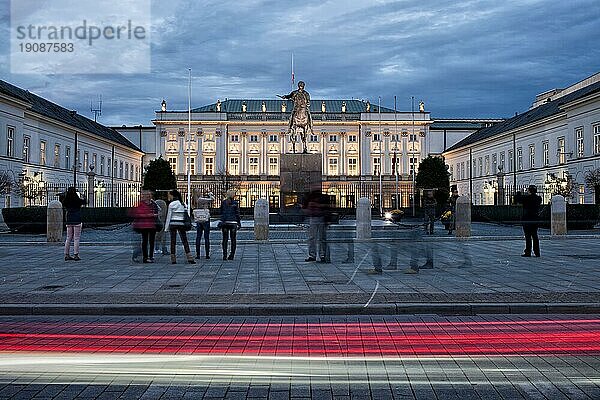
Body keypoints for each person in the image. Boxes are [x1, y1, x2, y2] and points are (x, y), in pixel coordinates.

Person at [164, 189, 195, 264]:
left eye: (169, 195)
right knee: (184, 240)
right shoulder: (183, 203)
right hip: (181, 224)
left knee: (173, 241)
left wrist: (166, 228)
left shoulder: (171, 204)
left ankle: (173, 258)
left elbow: (169, 216)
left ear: (172, 195)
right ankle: (189, 256)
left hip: (173, 224)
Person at [131, 190, 159, 263]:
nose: (148, 196)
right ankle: (145, 257)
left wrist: (155, 214)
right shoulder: (140, 204)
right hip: (143, 225)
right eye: (147, 195)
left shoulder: (153, 203)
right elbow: (137, 214)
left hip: (152, 225)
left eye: (149, 195)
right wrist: (150, 215)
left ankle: (151, 256)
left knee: (152, 241)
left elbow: (157, 211)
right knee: (145, 241)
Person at [515, 185, 542, 257]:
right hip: (535, 218)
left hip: (527, 218)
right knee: (535, 235)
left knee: (528, 236)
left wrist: (519, 193)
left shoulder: (526, 198)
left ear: (529, 190)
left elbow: (517, 199)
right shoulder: (539, 198)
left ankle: (528, 251)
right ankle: (537, 252)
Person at [61, 187, 86, 261]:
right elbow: (85, 201)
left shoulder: (66, 200)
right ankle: (76, 254)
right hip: (77, 219)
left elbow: (63, 203)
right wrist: (83, 196)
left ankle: (66, 254)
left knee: (68, 237)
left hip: (69, 219)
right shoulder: (77, 200)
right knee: (76, 238)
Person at [302, 189, 327, 262]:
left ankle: (322, 255)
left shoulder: (322, 197)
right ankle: (313, 255)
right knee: (312, 237)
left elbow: (326, 207)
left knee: (321, 238)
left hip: (321, 217)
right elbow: (305, 207)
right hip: (313, 217)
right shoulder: (310, 196)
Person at [219, 190, 241, 260]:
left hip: (225, 222)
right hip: (233, 222)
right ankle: (232, 255)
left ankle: (224, 255)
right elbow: (237, 213)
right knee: (233, 239)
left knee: (225, 239)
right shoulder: (235, 203)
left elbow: (221, 212)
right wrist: (239, 222)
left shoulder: (223, 202)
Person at [194, 192, 215, 259]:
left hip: (198, 219)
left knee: (198, 237)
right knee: (206, 237)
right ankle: (207, 254)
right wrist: (210, 194)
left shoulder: (194, 200)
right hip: (205, 218)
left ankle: (198, 254)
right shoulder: (201, 199)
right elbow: (212, 199)